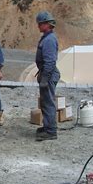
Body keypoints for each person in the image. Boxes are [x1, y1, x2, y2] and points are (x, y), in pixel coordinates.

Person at [35, 11, 61, 141]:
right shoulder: (47, 37)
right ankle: (47, 127)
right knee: (45, 102)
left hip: (48, 75)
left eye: (40, 24)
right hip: (47, 73)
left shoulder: (49, 40)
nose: (38, 26)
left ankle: (50, 131)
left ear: (47, 24)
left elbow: (50, 61)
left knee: (48, 102)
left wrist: (45, 78)